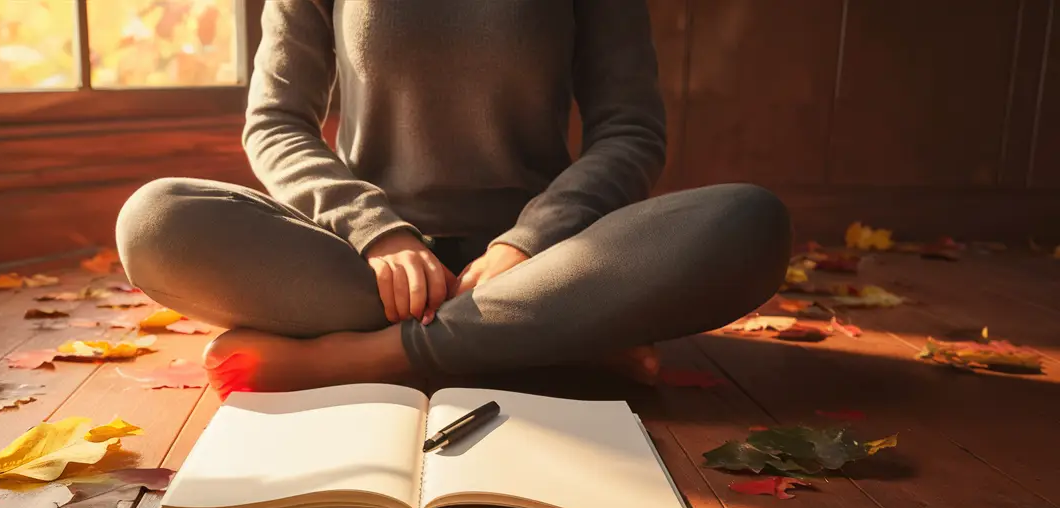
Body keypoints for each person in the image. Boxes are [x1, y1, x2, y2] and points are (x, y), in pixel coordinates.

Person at [116, 0, 791, 395]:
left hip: (545, 265)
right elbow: (275, 123)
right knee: (156, 220)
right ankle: (554, 341)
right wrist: (377, 231)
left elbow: (629, 130)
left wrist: (527, 242)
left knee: (748, 222)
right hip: (364, 271)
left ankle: (371, 357)